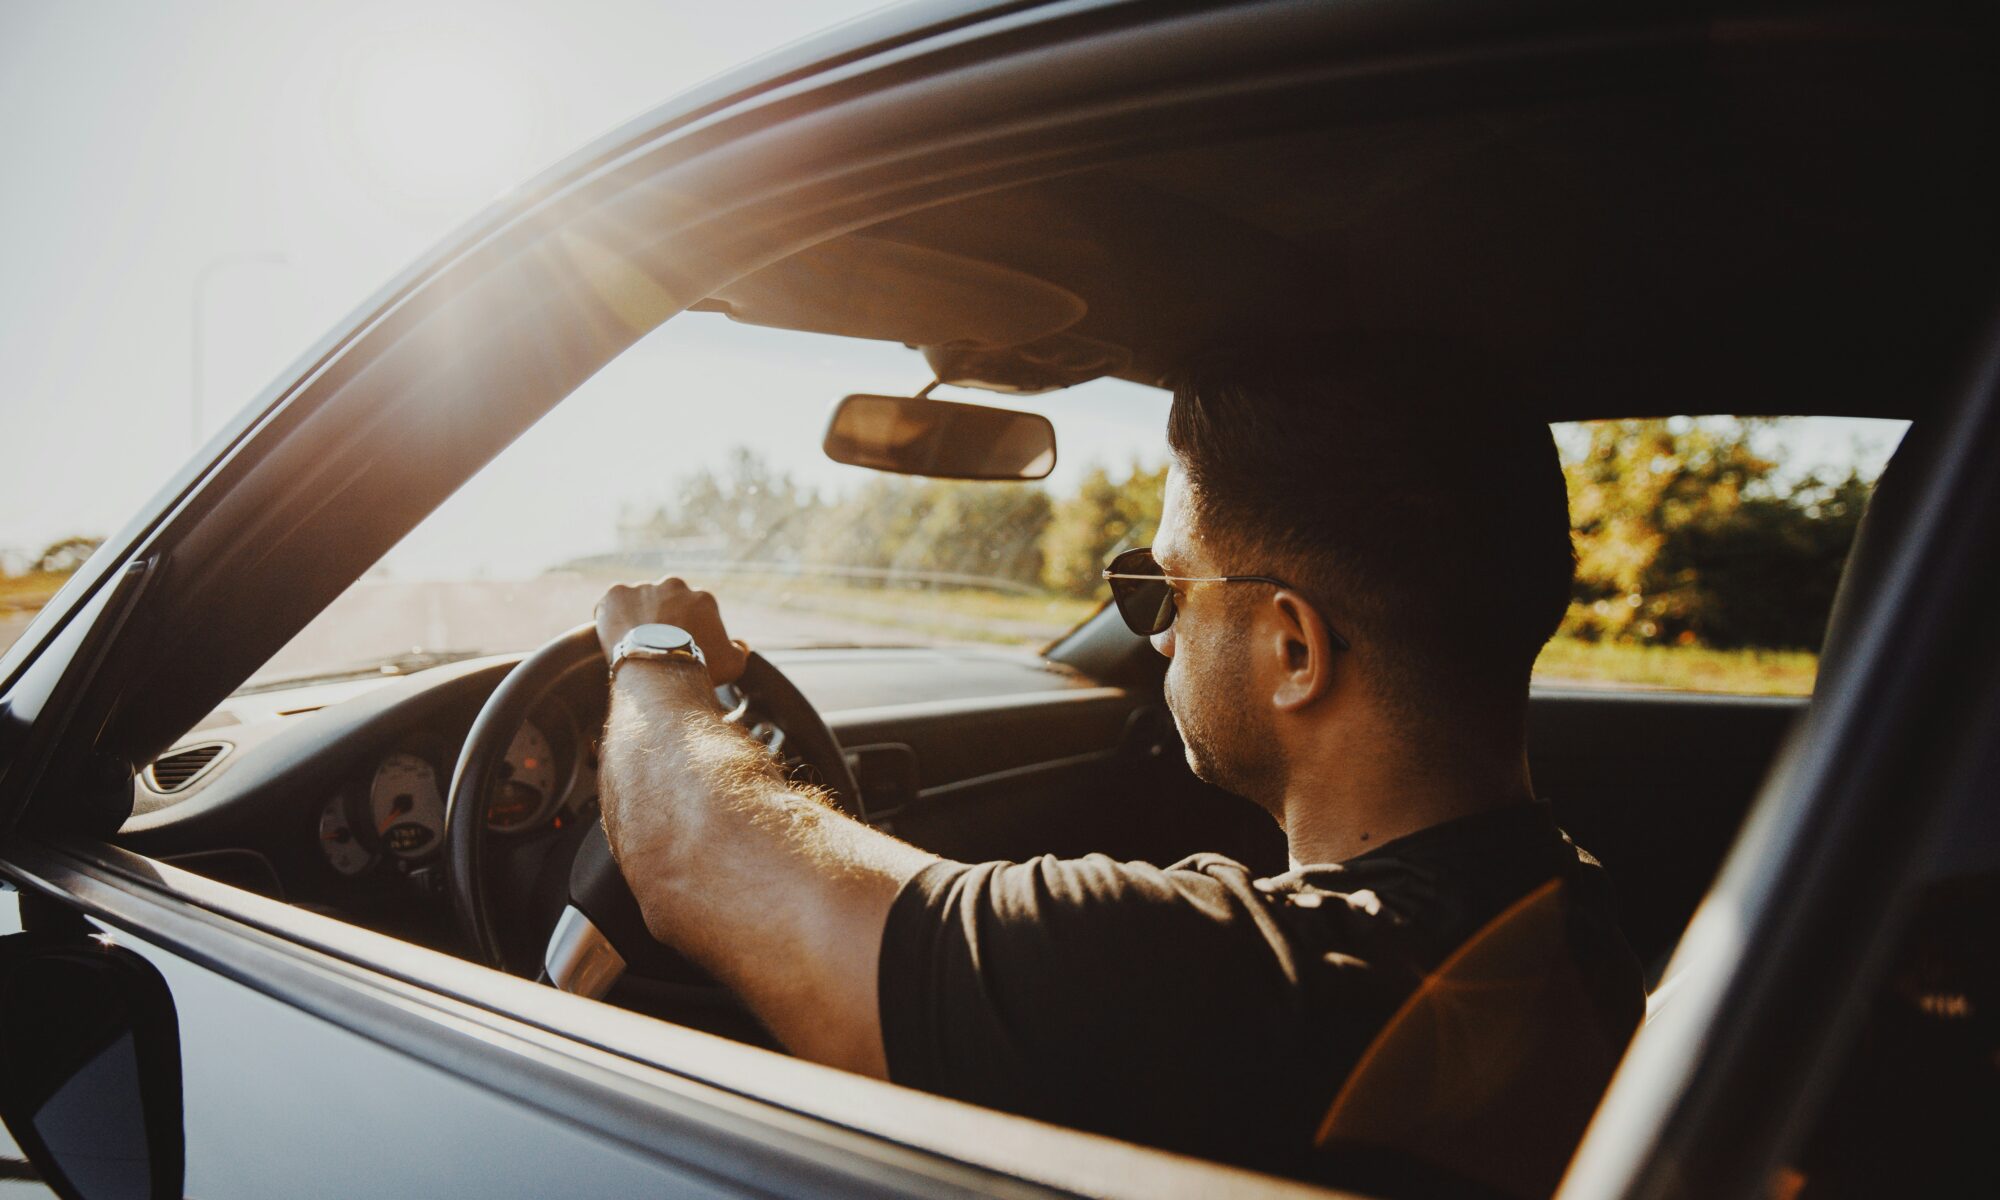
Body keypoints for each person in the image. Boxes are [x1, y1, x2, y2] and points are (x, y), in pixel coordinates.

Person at [590, 352, 1645, 1190]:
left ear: (1291, 651)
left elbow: (688, 855)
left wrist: (653, 657)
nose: (1153, 637)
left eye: (1167, 587)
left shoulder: (1208, 984)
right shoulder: (1566, 911)